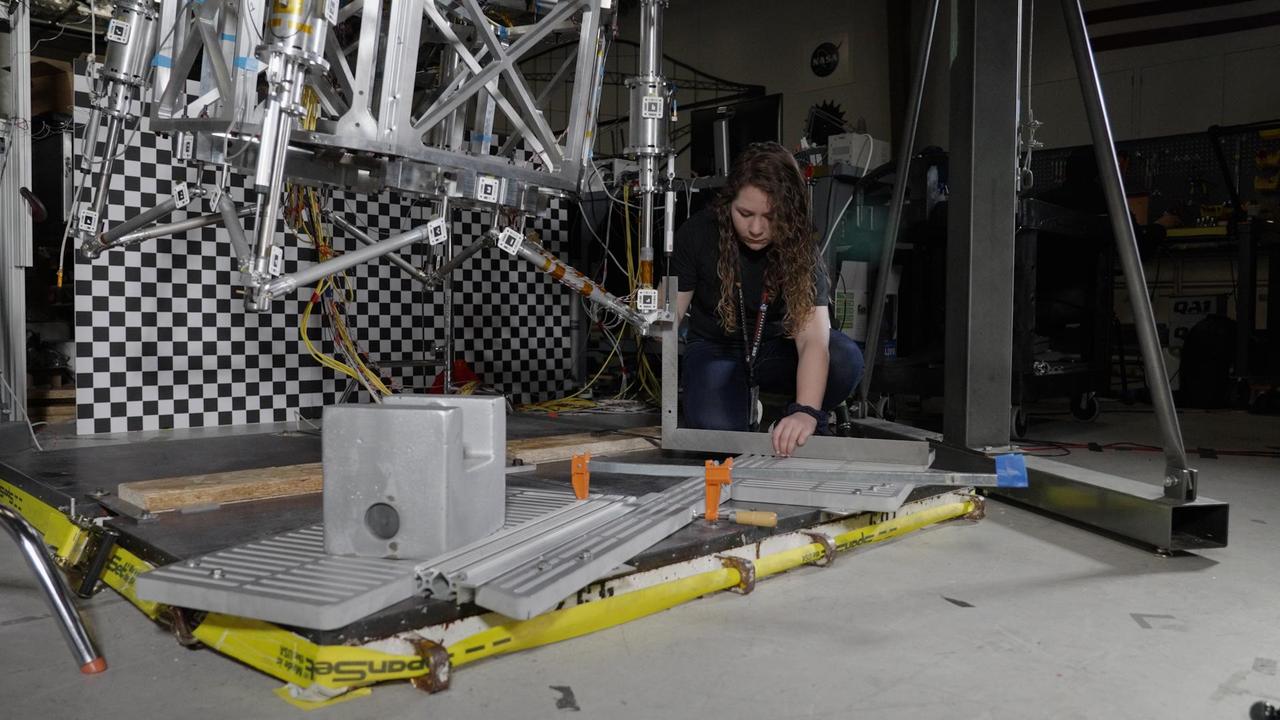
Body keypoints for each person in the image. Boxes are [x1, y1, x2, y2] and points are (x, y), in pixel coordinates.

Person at [671, 142, 864, 457]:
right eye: (744, 214)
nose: (756, 229)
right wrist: (651, 324)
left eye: (770, 217)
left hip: (775, 347)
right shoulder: (697, 233)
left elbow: (814, 339)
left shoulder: (799, 245)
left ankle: (788, 422)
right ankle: (740, 405)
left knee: (845, 359)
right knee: (718, 442)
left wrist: (806, 411)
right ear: (728, 203)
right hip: (718, 348)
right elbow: (672, 314)